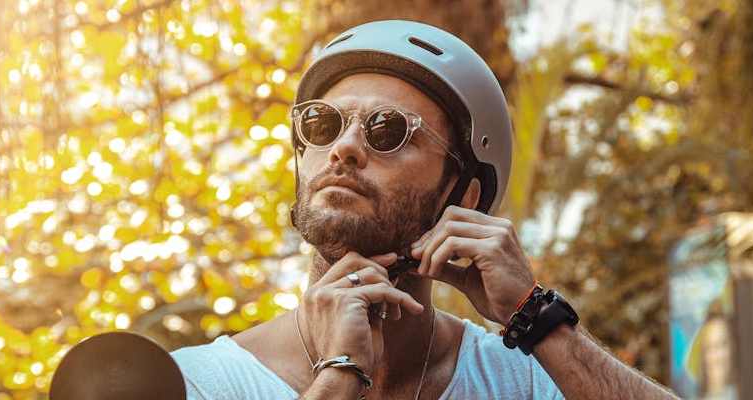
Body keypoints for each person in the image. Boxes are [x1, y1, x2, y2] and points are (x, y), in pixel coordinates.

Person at [171, 20, 681, 400]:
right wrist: (339, 377)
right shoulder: (194, 382)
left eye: (388, 130)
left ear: (464, 195)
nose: (343, 148)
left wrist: (537, 318)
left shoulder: (524, 382)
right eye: (322, 124)